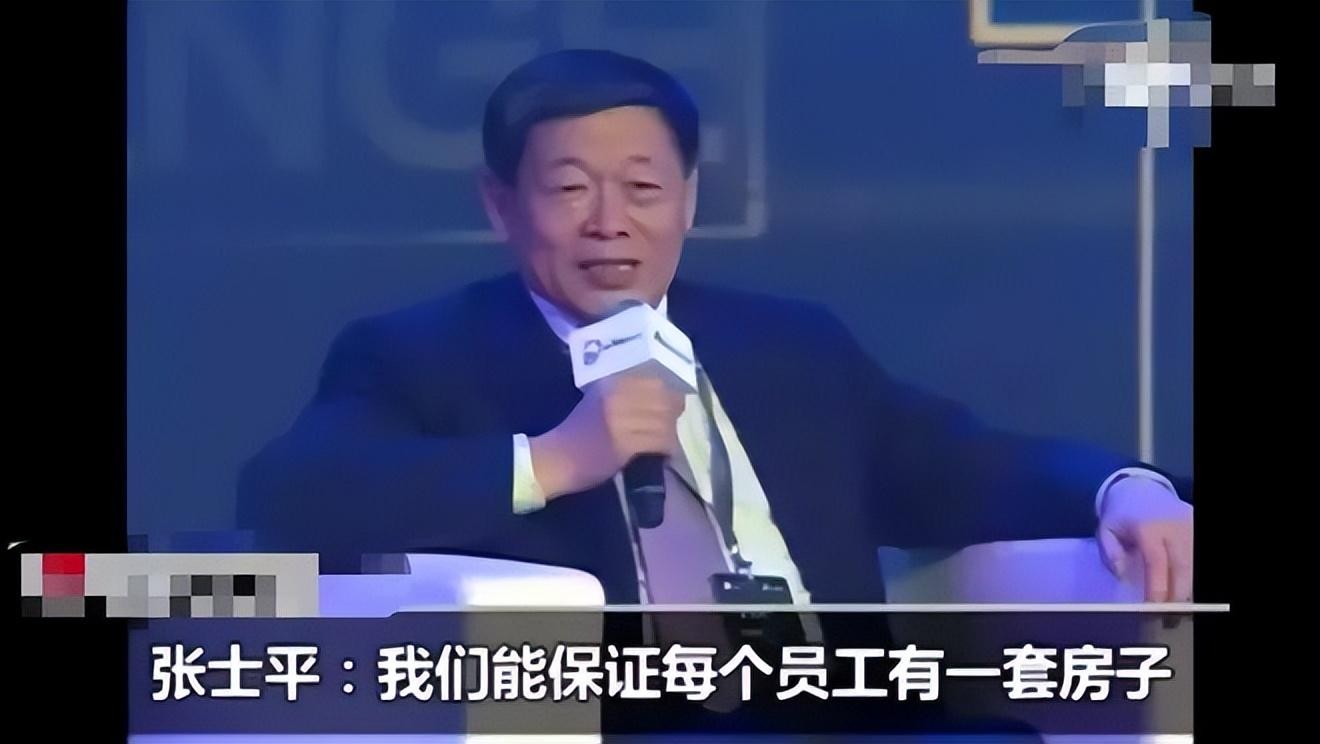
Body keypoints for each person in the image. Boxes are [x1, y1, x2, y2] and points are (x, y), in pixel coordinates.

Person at [237, 48, 1193, 613]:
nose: (610, 223)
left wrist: (1127, 488)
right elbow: (292, 496)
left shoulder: (791, 349)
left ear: (689, 201)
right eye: (569, 189)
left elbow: (961, 465)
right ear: (501, 205)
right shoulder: (419, 356)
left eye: (643, 188)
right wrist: (554, 461)